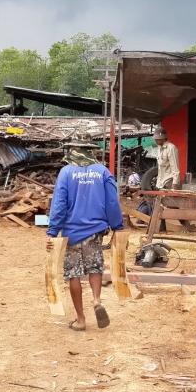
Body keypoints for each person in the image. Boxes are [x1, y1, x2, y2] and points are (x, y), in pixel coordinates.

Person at [46, 141, 124, 331]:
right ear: (90, 151)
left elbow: (59, 204)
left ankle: (81, 320)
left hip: (71, 233)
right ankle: (97, 301)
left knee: (74, 275)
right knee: (95, 267)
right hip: (95, 231)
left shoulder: (66, 172)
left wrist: (52, 232)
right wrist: (117, 226)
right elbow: (112, 202)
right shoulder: (103, 172)